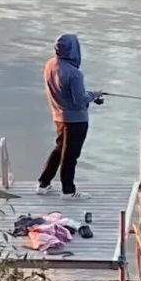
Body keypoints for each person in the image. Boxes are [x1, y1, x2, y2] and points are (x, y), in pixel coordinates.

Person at [37, 33, 103, 199]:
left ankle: (43, 183)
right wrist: (94, 96)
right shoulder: (75, 73)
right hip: (76, 121)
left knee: (59, 150)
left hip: (58, 116)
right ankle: (68, 190)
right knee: (70, 155)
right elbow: (79, 100)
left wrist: (89, 95)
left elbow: (65, 92)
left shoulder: (50, 64)